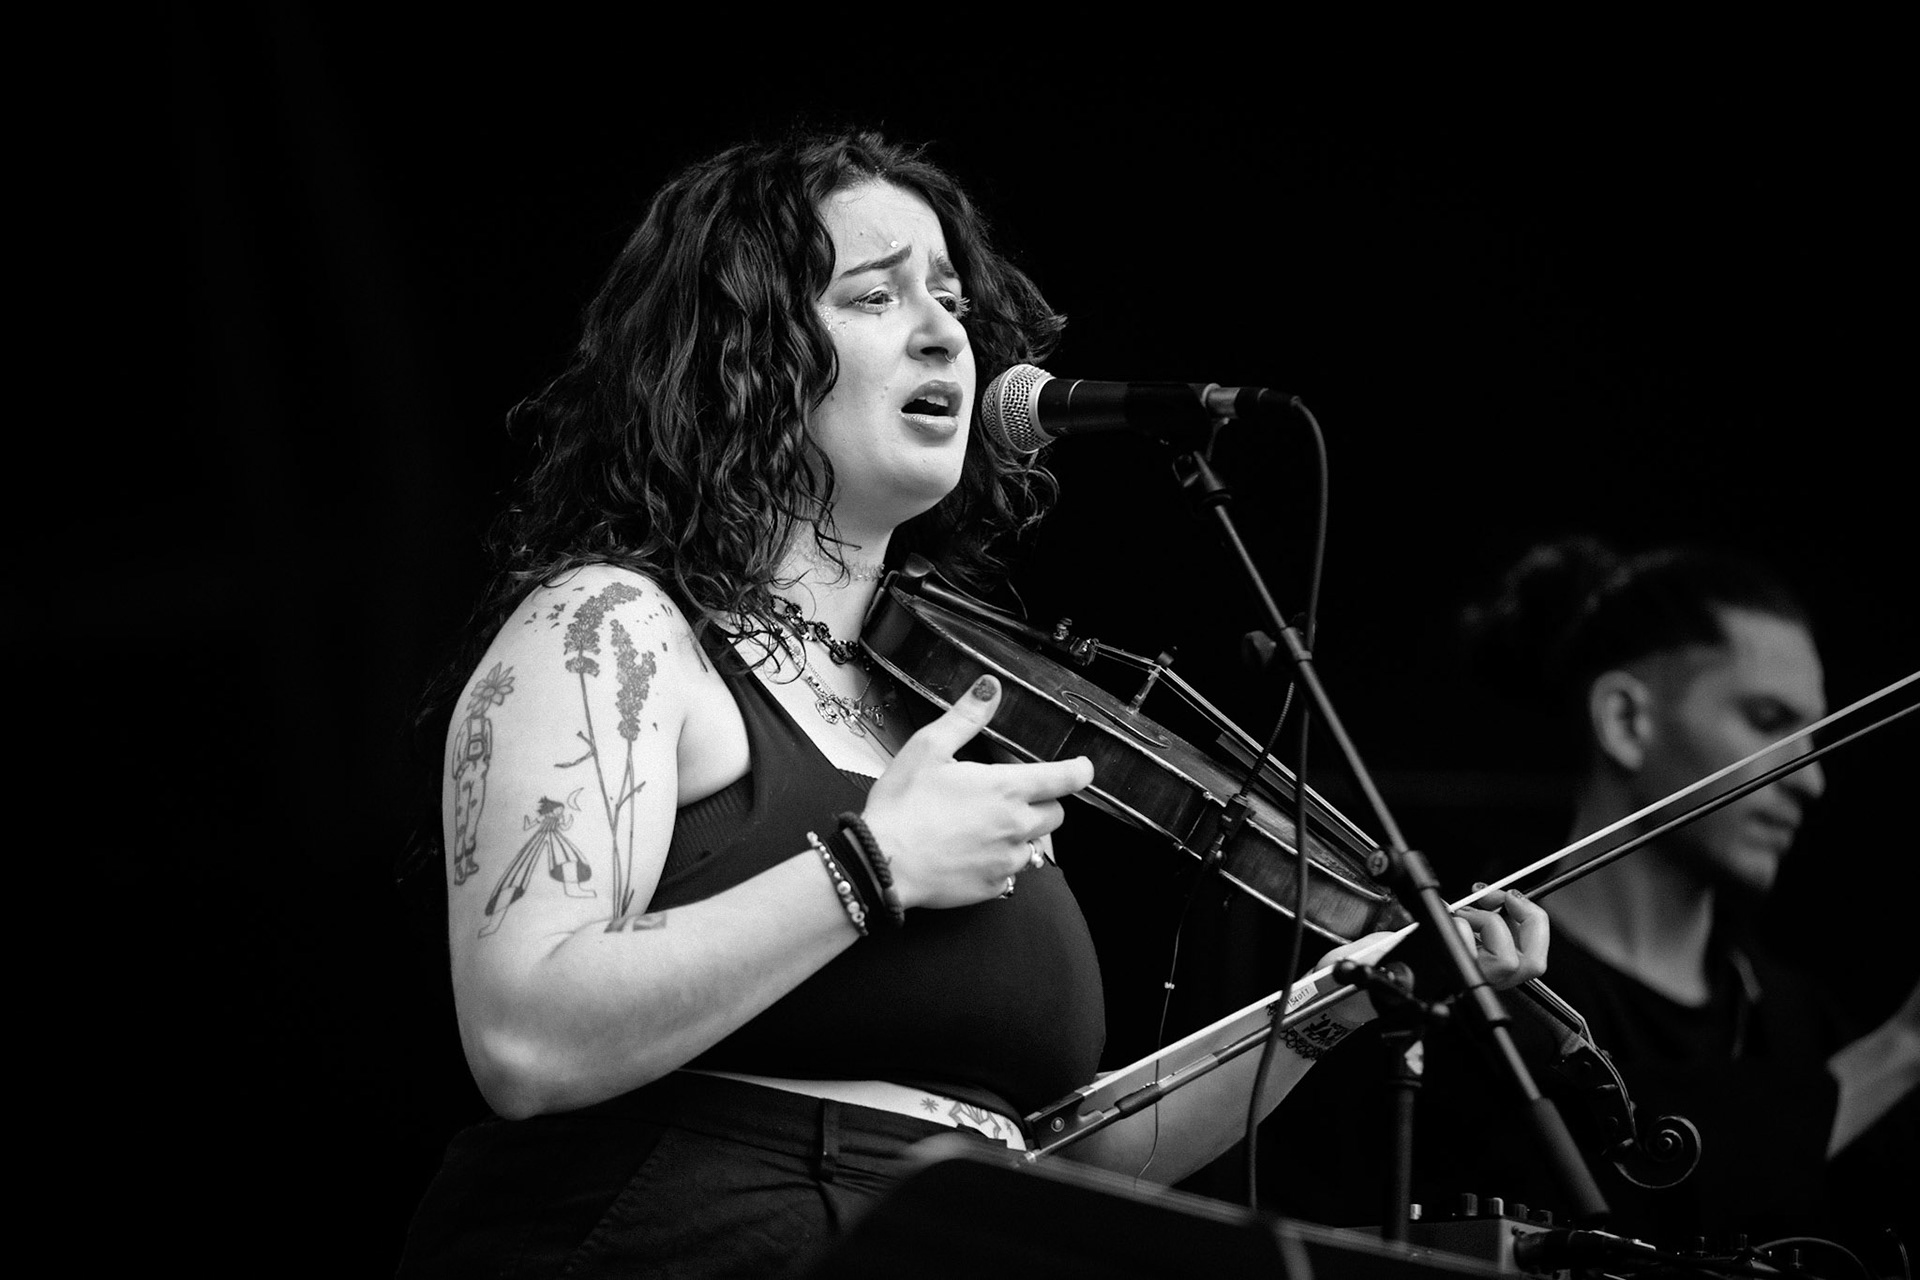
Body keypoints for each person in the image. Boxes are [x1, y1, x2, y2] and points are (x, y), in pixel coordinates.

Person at [393, 130, 1551, 1279]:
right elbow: (527, 1035)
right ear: (736, 352)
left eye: (948, 297)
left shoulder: (939, 701)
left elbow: (1049, 1158)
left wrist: (1327, 1006)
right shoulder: (614, 627)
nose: (945, 330)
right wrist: (870, 864)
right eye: (874, 294)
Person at [1422, 535, 1918, 1253]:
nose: (1812, 780)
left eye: (1814, 737)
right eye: (1770, 722)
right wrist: (1905, 1047)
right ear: (1627, 721)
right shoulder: (1477, 985)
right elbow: (1628, 1195)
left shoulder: (1802, 1024)